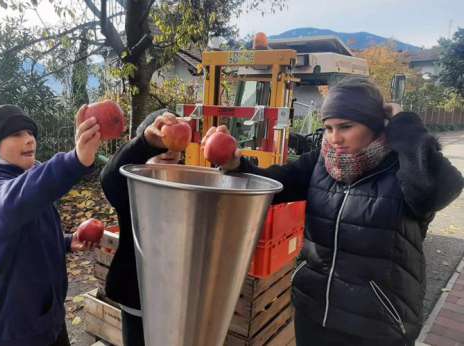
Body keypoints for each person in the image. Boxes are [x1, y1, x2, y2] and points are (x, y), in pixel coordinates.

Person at [202, 77, 464, 346]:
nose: (334, 138)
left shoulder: (403, 169)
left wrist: (404, 125)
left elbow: (438, 191)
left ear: (375, 126)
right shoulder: (320, 162)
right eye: (328, 128)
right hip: (315, 312)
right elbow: (272, 185)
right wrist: (234, 163)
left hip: (377, 325)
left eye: (346, 127)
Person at [0, 104, 101, 346]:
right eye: (16, 134)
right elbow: (14, 199)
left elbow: (27, 232)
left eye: (30, 132)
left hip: (47, 318)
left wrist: (66, 241)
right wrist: (75, 160)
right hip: (17, 331)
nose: (29, 139)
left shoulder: (23, 178)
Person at [100, 110, 181, 346]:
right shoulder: (129, 186)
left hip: (176, 294)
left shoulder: (189, 182)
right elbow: (109, 177)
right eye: (159, 146)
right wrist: (145, 143)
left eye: (172, 143)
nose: (167, 151)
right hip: (137, 294)